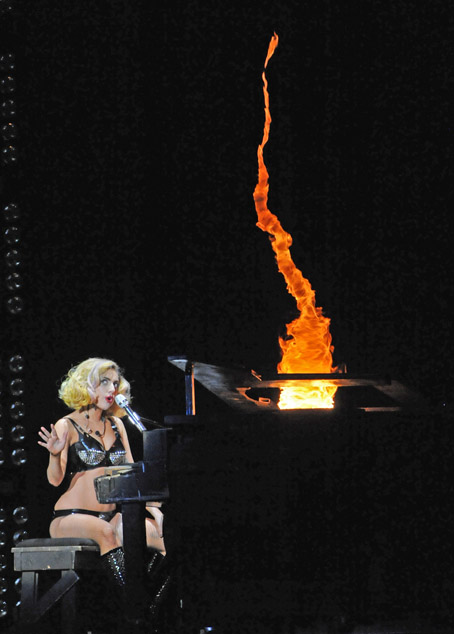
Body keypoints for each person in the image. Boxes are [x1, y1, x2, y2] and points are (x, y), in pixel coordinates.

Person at [37, 357, 167, 616]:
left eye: (115, 383)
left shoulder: (117, 425)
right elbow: (54, 480)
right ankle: (139, 613)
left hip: (115, 514)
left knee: (162, 538)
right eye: (104, 382)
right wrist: (54, 454)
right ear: (87, 385)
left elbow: (132, 472)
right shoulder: (67, 424)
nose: (112, 389)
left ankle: (152, 607)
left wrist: (154, 509)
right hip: (71, 517)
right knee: (107, 533)